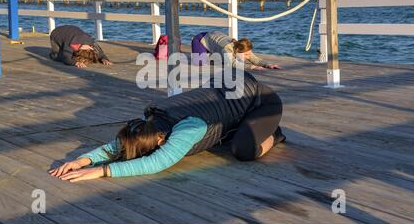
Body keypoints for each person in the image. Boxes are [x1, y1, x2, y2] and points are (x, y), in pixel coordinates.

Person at [49, 72, 286, 182]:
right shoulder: (149, 121)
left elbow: (157, 163)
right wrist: (81, 161)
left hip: (261, 101)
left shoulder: (189, 128)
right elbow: (119, 146)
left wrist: (103, 171)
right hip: (227, 83)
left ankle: (273, 134)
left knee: (243, 150)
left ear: (161, 140)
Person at [191, 31, 280, 70]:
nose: (247, 56)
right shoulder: (227, 48)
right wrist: (252, 67)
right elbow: (233, 64)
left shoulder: (243, 47)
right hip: (201, 38)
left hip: (214, 37)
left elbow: (254, 59)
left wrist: (268, 65)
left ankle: (212, 54)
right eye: (245, 55)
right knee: (199, 63)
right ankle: (206, 52)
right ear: (237, 50)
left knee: (225, 59)